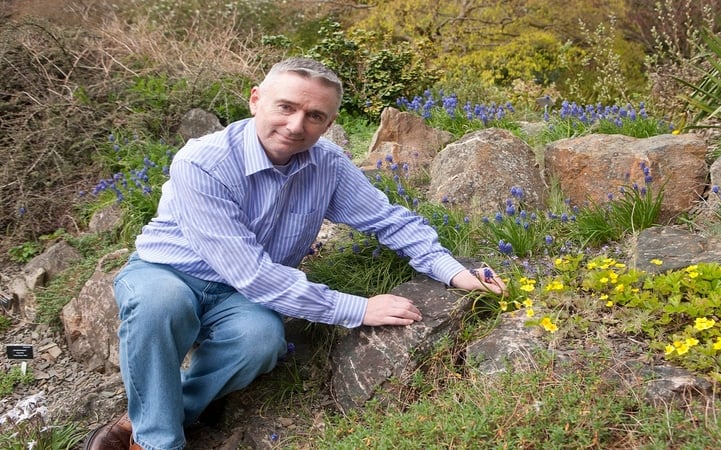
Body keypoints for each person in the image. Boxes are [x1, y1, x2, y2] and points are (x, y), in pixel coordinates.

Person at [84, 57, 506, 450]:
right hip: (169, 271)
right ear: (256, 100)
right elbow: (251, 272)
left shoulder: (328, 164)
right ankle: (157, 441)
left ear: (329, 123)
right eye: (285, 107)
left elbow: (388, 220)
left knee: (262, 340)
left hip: (237, 295)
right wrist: (356, 308)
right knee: (162, 304)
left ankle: (148, 416)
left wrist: (452, 270)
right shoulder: (203, 161)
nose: (296, 125)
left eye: (314, 115)